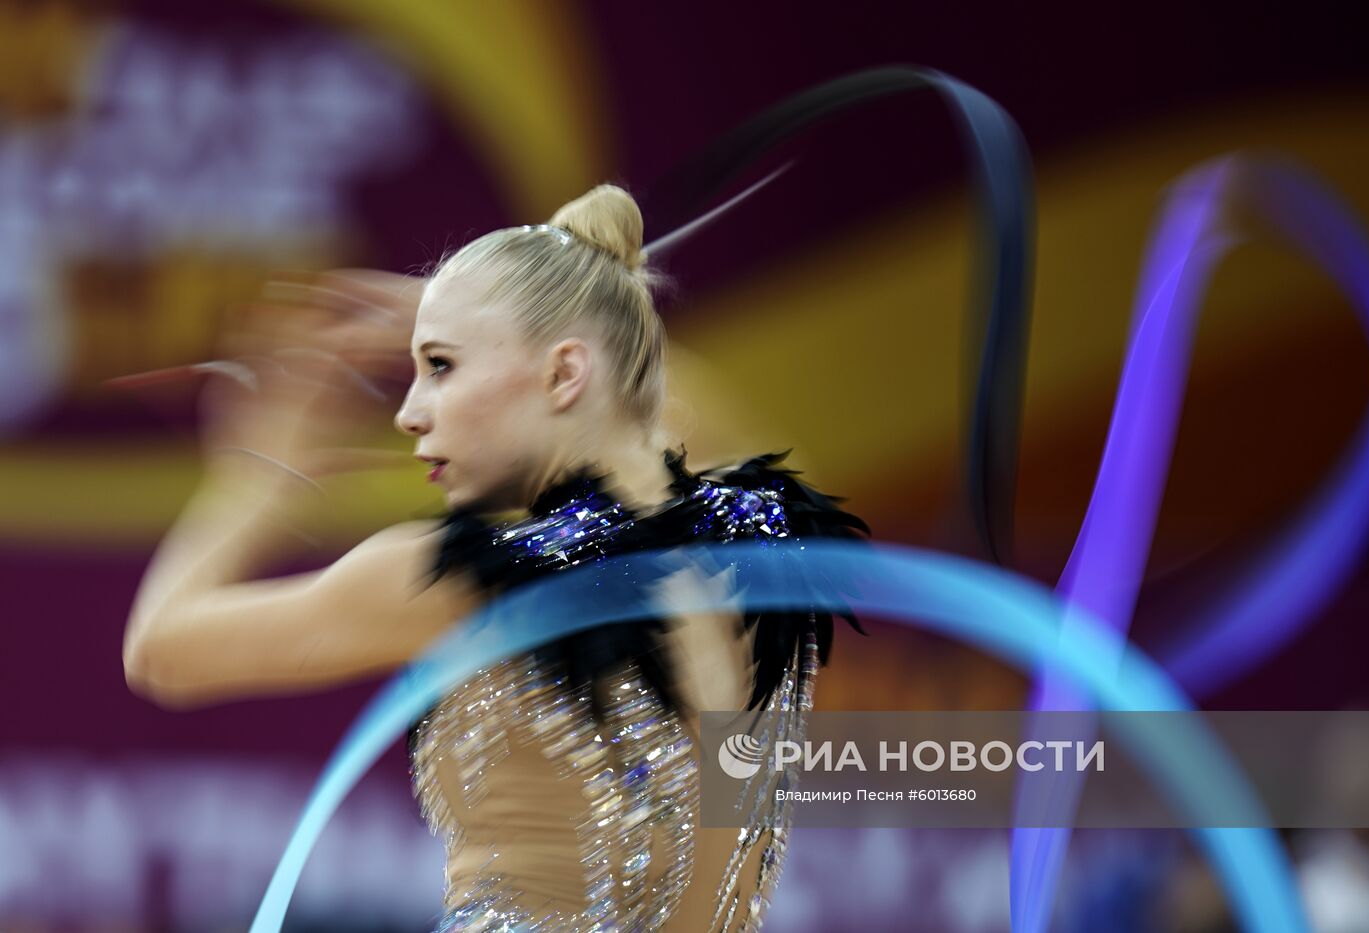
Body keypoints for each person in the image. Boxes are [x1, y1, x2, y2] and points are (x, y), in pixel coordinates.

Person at [122, 184, 869, 932]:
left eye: (440, 366)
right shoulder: (752, 563)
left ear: (564, 374)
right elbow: (716, 438)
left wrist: (260, 481)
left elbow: (163, 648)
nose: (408, 411)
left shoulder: (467, 581)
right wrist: (526, 312)